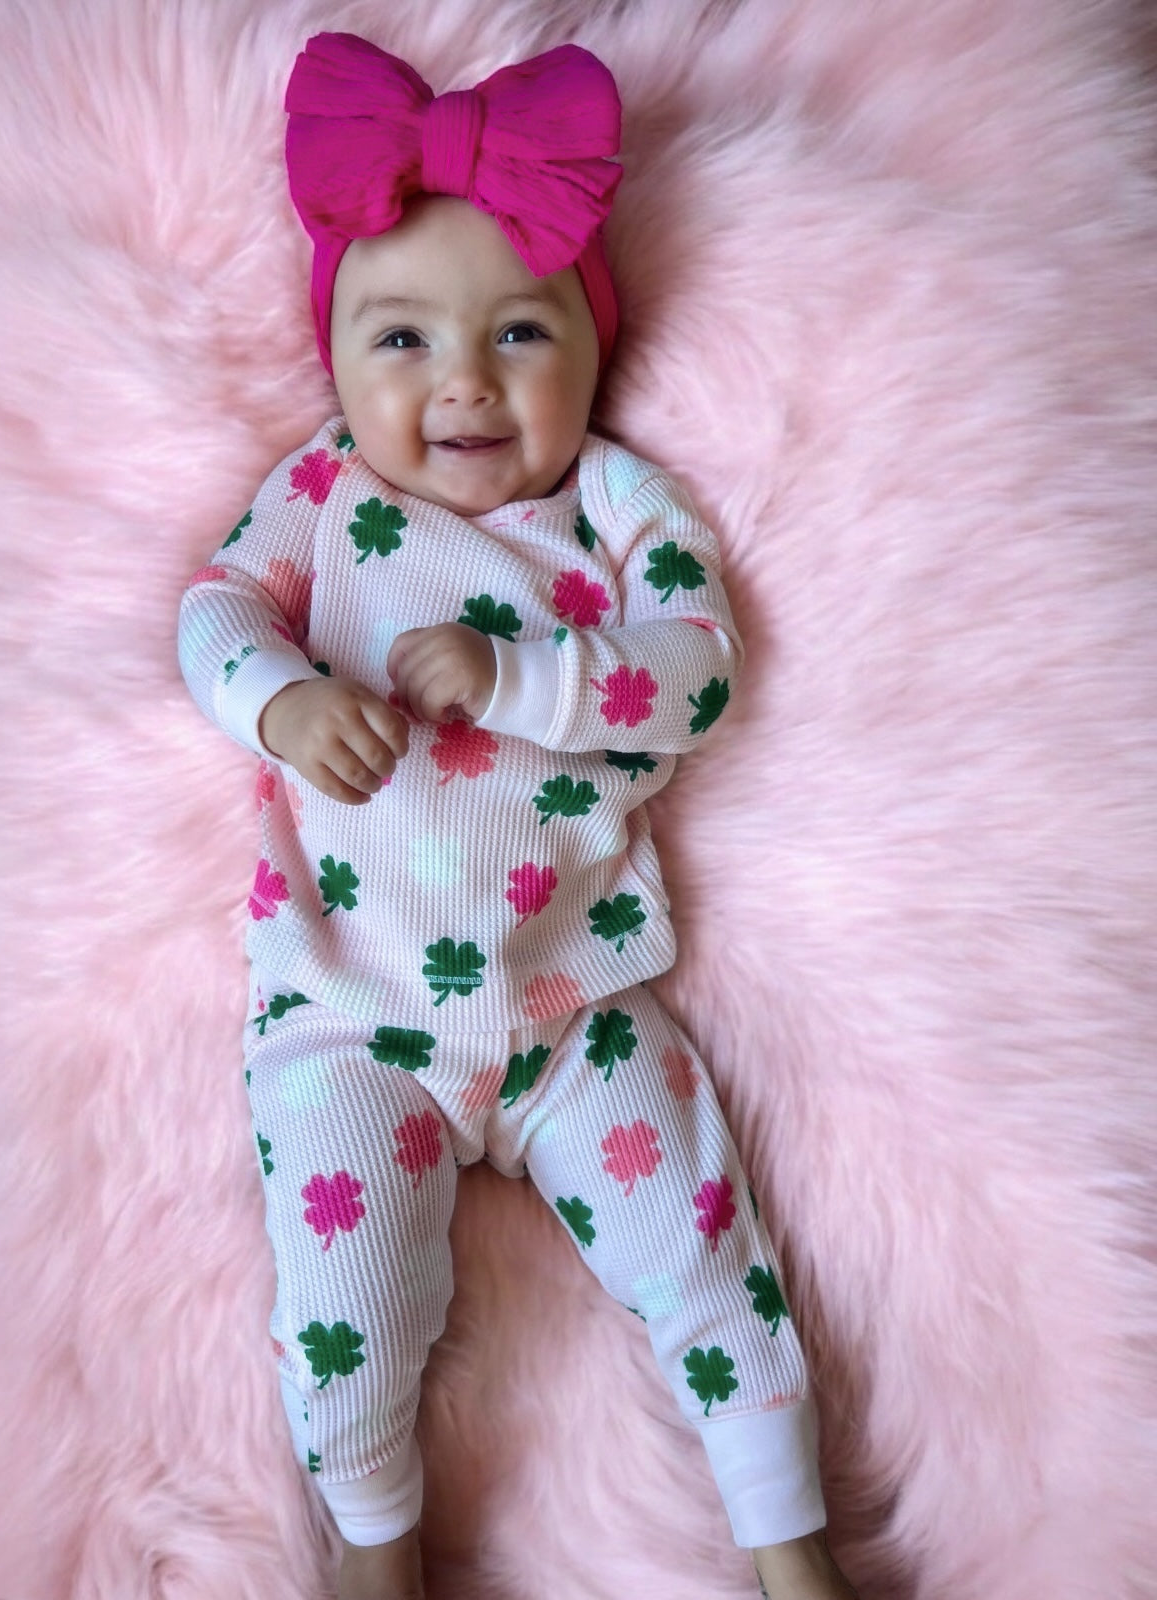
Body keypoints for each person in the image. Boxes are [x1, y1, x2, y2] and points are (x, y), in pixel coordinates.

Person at [178, 32, 859, 1600]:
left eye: (521, 333)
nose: (464, 382)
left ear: (592, 353)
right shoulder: (324, 498)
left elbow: (693, 675)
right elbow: (209, 616)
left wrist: (526, 679)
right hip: (355, 1016)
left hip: (578, 1008)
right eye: (401, 337)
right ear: (339, 357)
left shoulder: (614, 506)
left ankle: (792, 1550)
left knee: (706, 1260)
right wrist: (282, 701)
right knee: (345, 1304)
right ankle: (376, 1552)